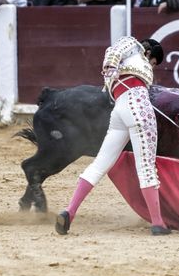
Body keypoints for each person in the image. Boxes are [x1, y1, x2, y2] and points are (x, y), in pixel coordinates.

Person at [55, 36, 171, 236]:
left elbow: (114, 59)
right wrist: (110, 67)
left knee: (99, 164)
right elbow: (115, 50)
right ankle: (158, 223)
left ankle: (70, 211)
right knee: (146, 167)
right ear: (149, 53)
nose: (151, 67)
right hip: (138, 108)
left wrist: (112, 70)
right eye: (153, 63)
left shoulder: (127, 63)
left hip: (120, 110)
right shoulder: (133, 46)